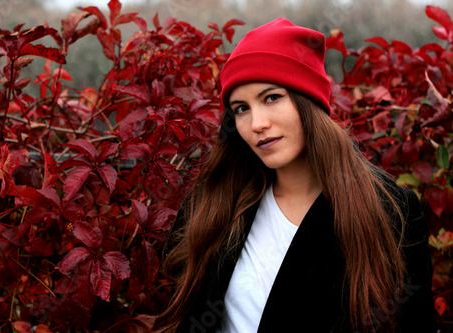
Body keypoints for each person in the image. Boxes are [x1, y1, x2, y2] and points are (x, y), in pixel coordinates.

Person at [156, 18, 435, 333]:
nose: (256, 123)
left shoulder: (389, 208)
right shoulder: (217, 197)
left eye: (272, 98)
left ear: (309, 103)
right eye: (241, 108)